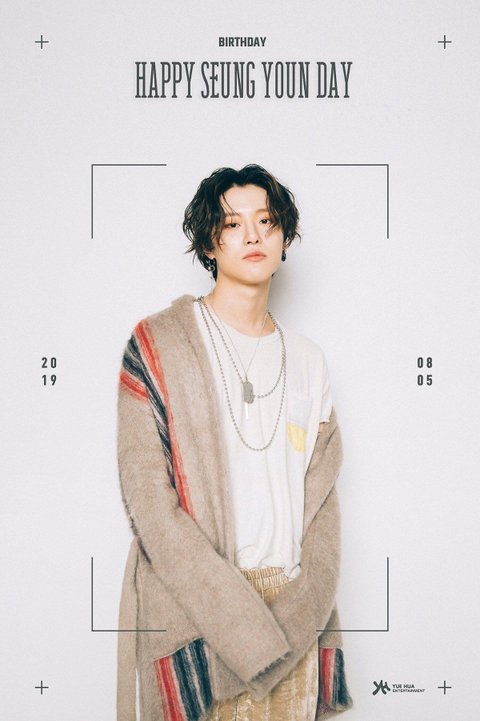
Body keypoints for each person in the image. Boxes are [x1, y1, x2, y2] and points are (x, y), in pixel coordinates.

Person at [116, 164, 352, 721]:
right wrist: (240, 625)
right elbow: (149, 504)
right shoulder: (159, 345)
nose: (252, 235)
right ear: (208, 242)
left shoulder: (309, 359)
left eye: (266, 221)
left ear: (284, 238)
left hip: (292, 611)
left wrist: (300, 612)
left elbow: (321, 501)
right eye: (231, 223)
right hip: (196, 611)